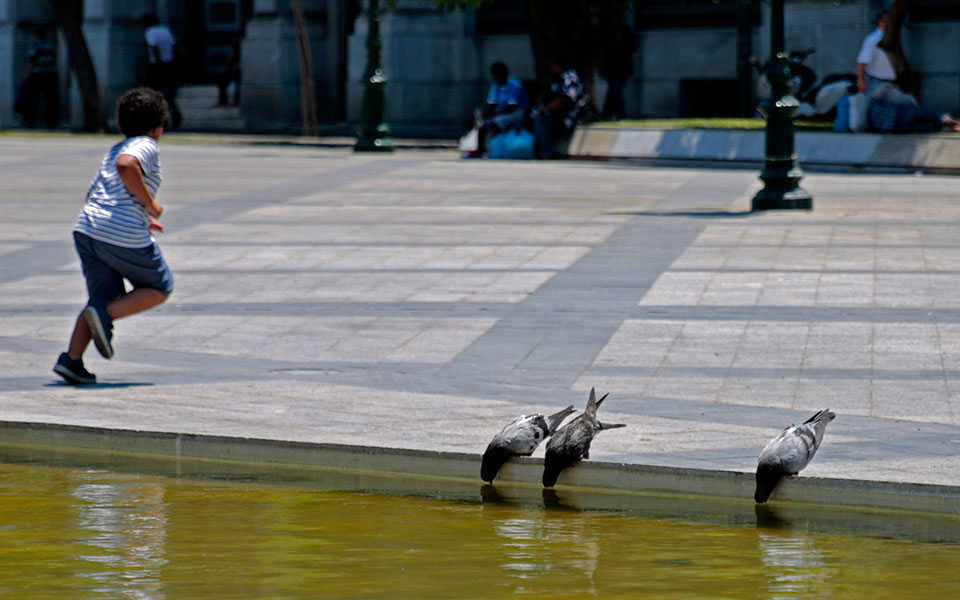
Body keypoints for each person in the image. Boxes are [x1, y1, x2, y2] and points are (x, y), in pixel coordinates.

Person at [53, 87, 174, 385]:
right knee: (160, 286)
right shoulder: (144, 145)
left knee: (101, 297)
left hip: (88, 228)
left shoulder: (115, 148)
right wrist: (150, 206)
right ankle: (103, 315)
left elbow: (95, 192)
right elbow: (127, 167)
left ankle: (71, 360)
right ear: (157, 127)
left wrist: (139, 220)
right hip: (118, 232)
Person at [533, 59, 588, 159]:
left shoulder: (569, 78)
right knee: (535, 117)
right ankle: (537, 151)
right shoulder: (557, 79)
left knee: (540, 120)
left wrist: (545, 109)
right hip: (557, 115)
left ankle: (546, 153)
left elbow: (564, 100)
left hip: (570, 116)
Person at [856, 11, 912, 104]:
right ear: (881, 22)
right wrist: (861, 80)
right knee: (871, 108)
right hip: (876, 83)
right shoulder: (873, 39)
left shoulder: (892, 38)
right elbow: (862, 61)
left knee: (905, 105)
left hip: (892, 83)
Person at [140, 13, 182, 129]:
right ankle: (174, 114)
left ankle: (163, 118)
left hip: (158, 65)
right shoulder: (165, 30)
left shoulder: (150, 32)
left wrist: (154, 66)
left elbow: (154, 48)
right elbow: (174, 46)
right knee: (168, 93)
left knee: (157, 93)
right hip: (169, 63)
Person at [15, 27, 59, 129]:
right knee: (50, 99)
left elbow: (31, 60)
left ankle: (30, 121)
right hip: (51, 74)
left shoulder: (35, 44)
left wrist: (26, 74)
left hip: (38, 74)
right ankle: (52, 122)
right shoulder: (50, 44)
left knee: (32, 99)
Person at [600, 25, 635, 120]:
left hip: (620, 68)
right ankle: (617, 114)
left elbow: (633, 47)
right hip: (613, 67)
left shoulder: (625, 32)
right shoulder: (611, 33)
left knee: (614, 91)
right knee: (616, 91)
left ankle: (610, 113)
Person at [217, 41, 242, 107]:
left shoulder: (238, 52)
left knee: (237, 86)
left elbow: (230, 63)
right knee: (224, 83)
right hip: (232, 72)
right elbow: (229, 63)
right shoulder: (233, 52)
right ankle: (225, 100)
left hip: (236, 72)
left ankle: (234, 101)